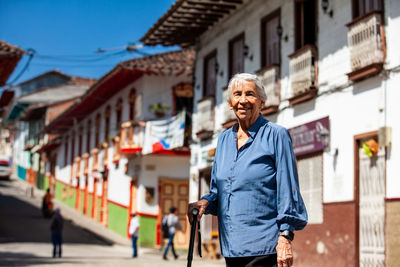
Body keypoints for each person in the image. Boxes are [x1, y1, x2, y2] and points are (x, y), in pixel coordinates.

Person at [188, 73, 308, 267]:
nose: (243, 100)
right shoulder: (224, 140)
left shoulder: (277, 135)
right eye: (237, 95)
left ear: (262, 101)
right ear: (230, 103)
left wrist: (285, 237)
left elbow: (288, 189)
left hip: (265, 249)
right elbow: (219, 193)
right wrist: (204, 203)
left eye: (250, 94)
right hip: (231, 249)